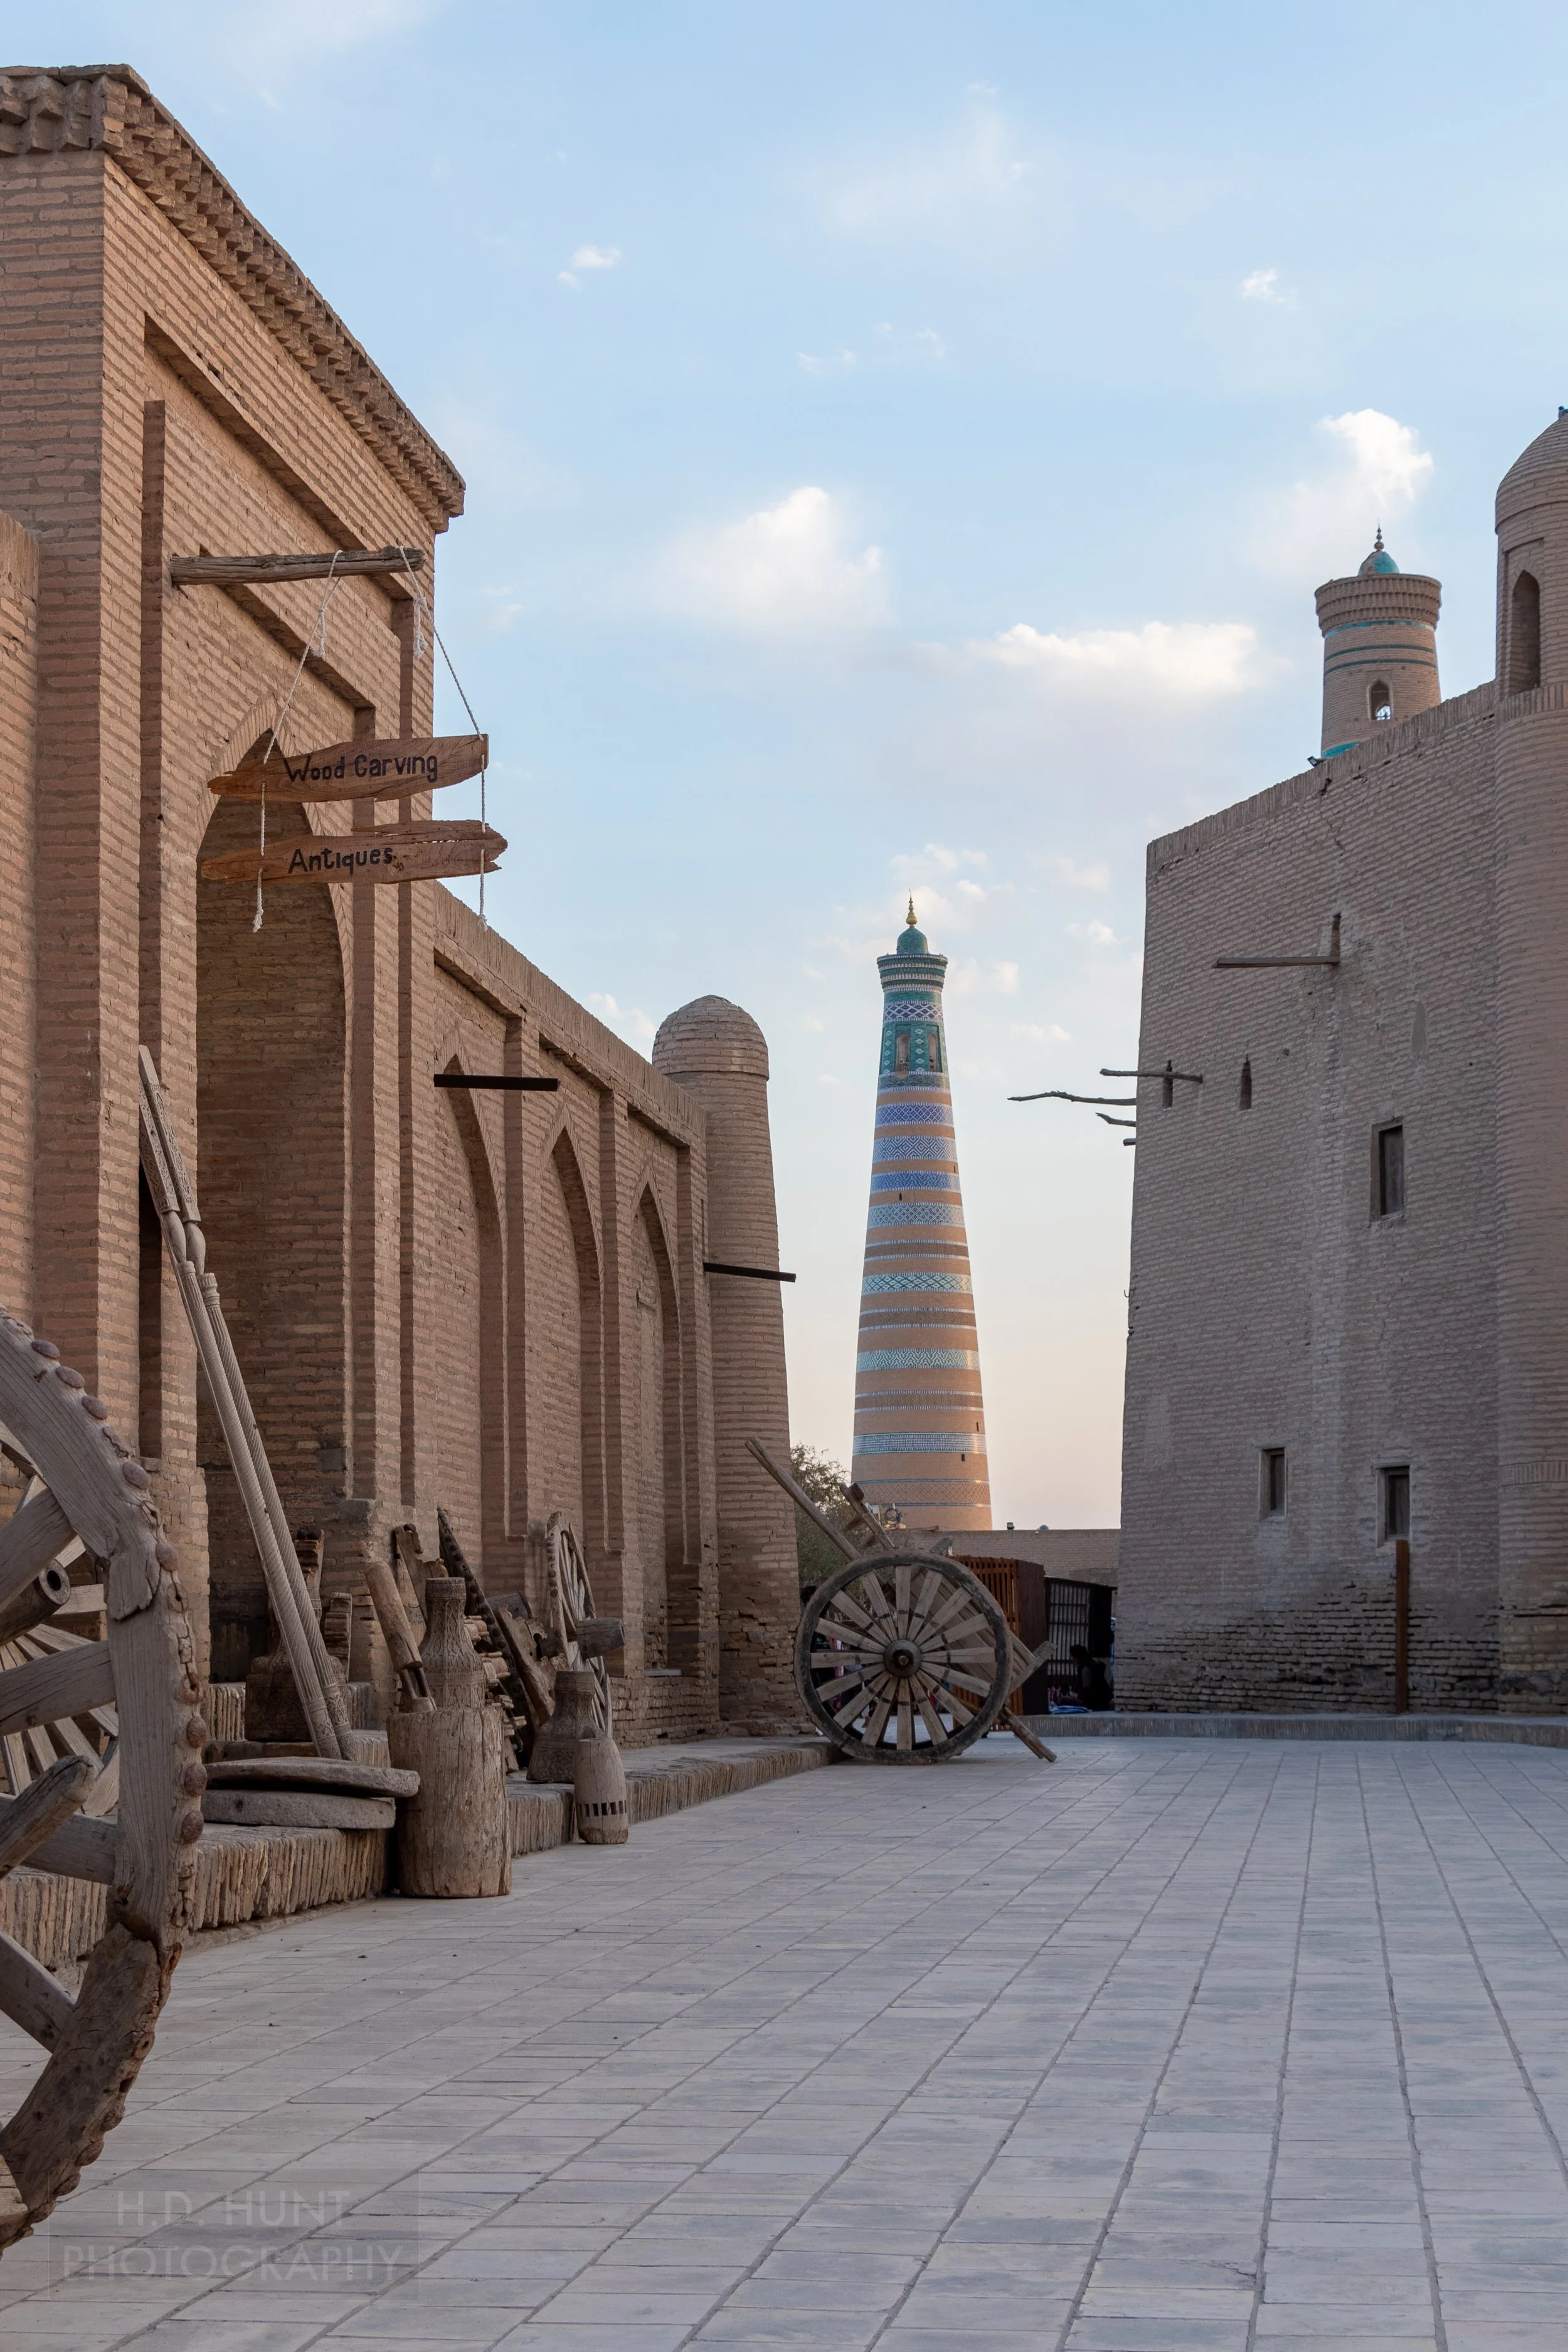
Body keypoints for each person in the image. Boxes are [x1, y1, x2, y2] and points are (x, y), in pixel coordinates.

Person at [1069, 1643, 1113, 1711]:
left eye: (1073, 1657)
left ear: (1077, 1657)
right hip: (1099, 1702)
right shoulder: (1090, 1665)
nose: (1072, 1659)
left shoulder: (1086, 1669)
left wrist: (1076, 1696)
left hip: (1096, 1704)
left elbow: (1088, 1692)